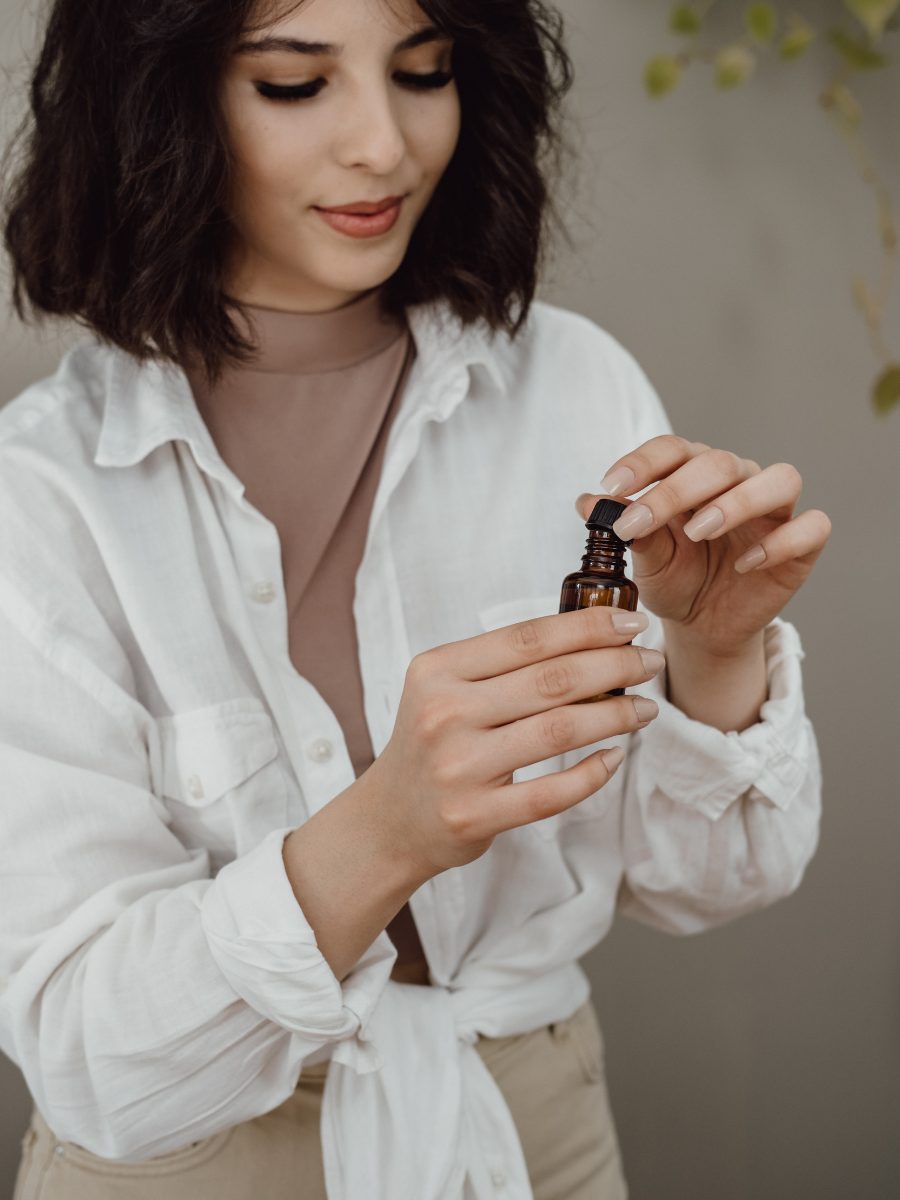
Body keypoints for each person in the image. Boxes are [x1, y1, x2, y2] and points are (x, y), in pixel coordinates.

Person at [0, 0, 831, 1197]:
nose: (386, 147)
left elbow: (709, 883)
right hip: (189, 1161)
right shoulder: (43, 494)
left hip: (536, 1133)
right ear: (160, 104)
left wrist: (714, 653)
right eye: (295, 85)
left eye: (424, 72)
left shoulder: (574, 383)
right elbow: (92, 1053)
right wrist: (385, 831)